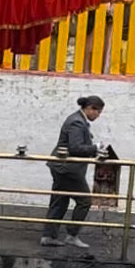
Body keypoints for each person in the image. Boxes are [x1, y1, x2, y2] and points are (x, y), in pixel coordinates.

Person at [42, 95, 104, 249]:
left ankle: (48, 236)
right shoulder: (77, 122)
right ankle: (72, 235)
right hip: (67, 169)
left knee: (59, 201)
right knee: (84, 201)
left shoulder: (77, 119)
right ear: (90, 108)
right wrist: (95, 148)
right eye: (98, 112)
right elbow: (75, 148)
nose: (98, 115)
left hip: (61, 167)